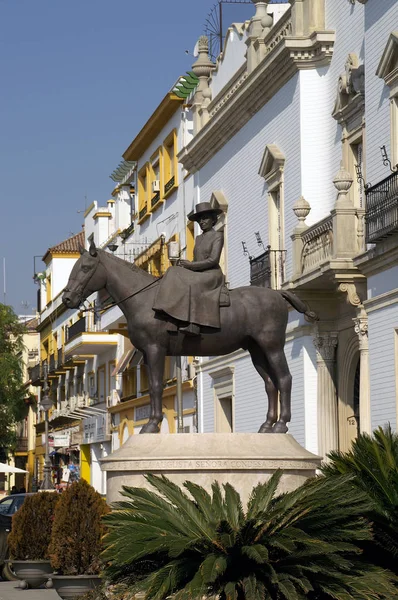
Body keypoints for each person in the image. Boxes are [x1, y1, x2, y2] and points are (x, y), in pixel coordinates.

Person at [153, 202, 224, 336]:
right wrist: (185, 264)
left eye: (205, 218)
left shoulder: (217, 236)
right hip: (197, 272)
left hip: (211, 274)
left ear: (213, 219)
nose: (201, 222)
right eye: (199, 219)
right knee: (173, 271)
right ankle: (170, 314)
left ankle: (194, 324)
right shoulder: (198, 238)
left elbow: (213, 260)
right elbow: (196, 260)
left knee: (191, 284)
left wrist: (191, 266)